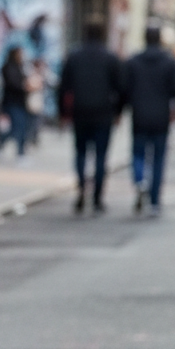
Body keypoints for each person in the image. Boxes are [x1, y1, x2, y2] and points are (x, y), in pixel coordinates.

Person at [57, 21, 124, 213]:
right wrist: (118, 112)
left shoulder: (75, 56)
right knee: (101, 157)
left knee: (80, 153)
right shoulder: (110, 58)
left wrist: (63, 114)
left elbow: (63, 88)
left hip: (80, 112)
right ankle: (97, 197)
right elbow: (120, 88)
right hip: (103, 113)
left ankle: (81, 191)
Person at [125, 25, 175, 216]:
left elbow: (125, 89)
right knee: (158, 159)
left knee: (138, 154)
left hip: (139, 115)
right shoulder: (169, 62)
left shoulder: (134, 61)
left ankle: (140, 180)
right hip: (161, 116)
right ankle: (155, 201)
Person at [0, 46, 29, 158]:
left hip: (20, 102)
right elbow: (13, 84)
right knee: (16, 128)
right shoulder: (8, 67)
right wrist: (25, 87)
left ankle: (0, 148)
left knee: (16, 128)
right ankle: (20, 153)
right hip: (11, 102)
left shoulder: (21, 67)